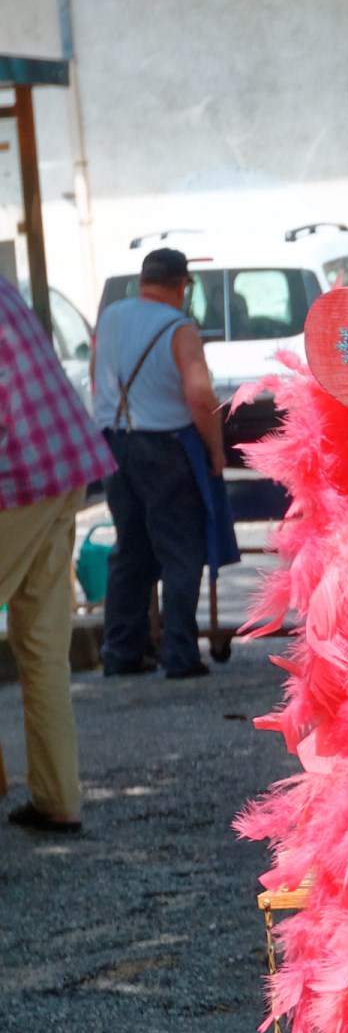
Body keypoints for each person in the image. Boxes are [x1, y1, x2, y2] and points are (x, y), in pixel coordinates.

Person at [0, 269, 112, 836]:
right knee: (42, 646)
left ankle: (57, 799)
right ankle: (58, 800)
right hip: (62, 464)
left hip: (17, 476)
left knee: (41, 646)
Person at [91, 244, 227, 681]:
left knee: (129, 551)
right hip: (165, 447)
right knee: (180, 553)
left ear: (143, 280)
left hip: (115, 444)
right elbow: (199, 395)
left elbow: (96, 374)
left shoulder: (110, 318)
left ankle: (121, 652)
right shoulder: (179, 327)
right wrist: (216, 449)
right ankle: (180, 655)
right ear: (182, 285)